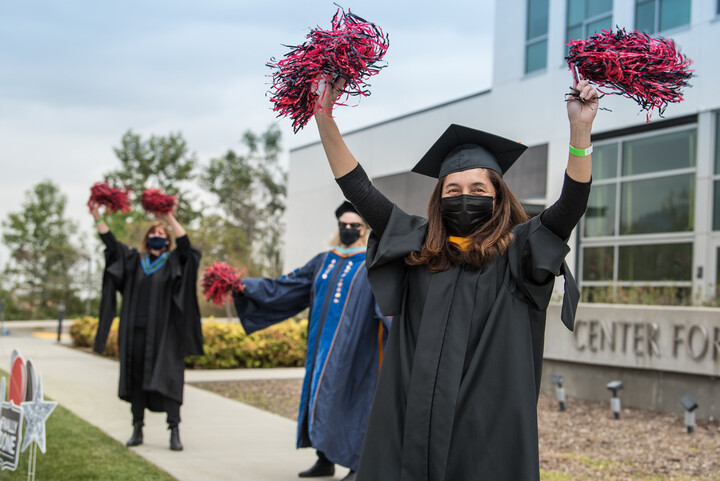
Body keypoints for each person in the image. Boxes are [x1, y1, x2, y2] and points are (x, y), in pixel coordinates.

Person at [312, 77, 599, 480]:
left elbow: (571, 204)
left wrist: (579, 132)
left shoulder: (520, 250)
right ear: (439, 198)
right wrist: (324, 117)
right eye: (453, 189)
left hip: (486, 430)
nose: (465, 196)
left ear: (497, 196)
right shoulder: (417, 247)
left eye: (478, 188)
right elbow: (359, 188)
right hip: (411, 423)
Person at [233, 202, 389, 481]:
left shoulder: (373, 263)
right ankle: (324, 459)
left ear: (366, 230)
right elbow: (286, 286)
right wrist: (244, 286)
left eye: (355, 226)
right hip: (320, 346)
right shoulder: (323, 260)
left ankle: (357, 466)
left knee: (355, 401)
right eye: (344, 226)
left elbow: (388, 304)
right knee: (321, 399)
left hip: (357, 350)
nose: (349, 230)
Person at [90, 203, 203, 451]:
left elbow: (187, 249)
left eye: (162, 235)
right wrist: (97, 216)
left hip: (166, 337)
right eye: (153, 233)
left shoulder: (173, 261)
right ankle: (137, 428)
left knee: (170, 381)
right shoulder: (133, 260)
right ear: (146, 238)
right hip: (136, 333)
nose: (157, 237)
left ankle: (174, 431)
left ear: (168, 240)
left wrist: (169, 217)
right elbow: (111, 244)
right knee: (136, 379)